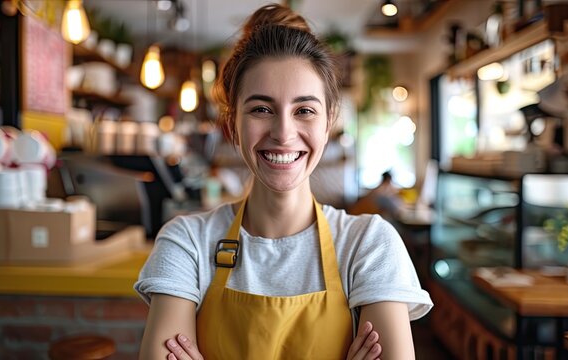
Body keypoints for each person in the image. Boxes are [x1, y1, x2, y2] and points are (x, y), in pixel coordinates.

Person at [134, 4, 432, 359]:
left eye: (304, 110)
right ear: (232, 123)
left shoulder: (368, 245)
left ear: (328, 122)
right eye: (261, 108)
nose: (283, 133)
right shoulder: (187, 244)